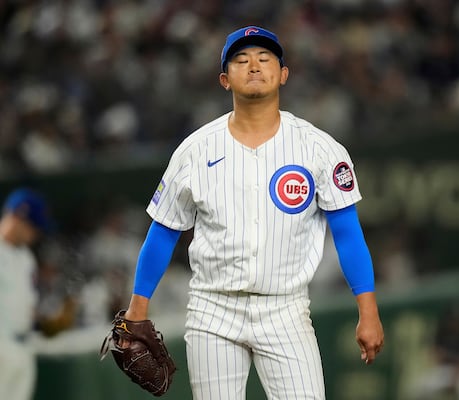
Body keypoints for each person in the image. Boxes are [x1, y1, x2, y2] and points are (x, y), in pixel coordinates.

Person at [121, 25, 385, 399]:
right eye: (242, 60)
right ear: (225, 80)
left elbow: (348, 233)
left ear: (283, 74)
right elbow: (163, 232)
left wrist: (368, 310)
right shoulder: (194, 150)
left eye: (265, 59)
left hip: (286, 309)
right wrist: (137, 308)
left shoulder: (319, 149)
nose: (255, 66)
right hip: (213, 309)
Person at [0, 187, 52, 400]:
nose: (35, 234)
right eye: (33, 227)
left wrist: (47, 323)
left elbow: (26, 305)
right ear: (18, 217)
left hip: (22, 348)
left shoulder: (26, 258)